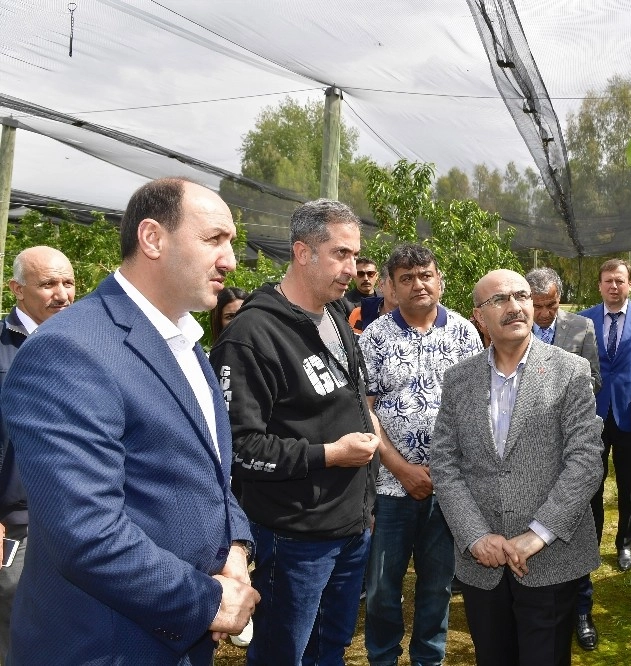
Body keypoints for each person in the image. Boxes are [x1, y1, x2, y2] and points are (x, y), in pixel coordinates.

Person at [0, 177, 258, 665]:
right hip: (105, 644)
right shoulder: (69, 350)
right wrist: (208, 602)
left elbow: (210, 473)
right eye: (214, 240)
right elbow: (87, 533)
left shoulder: (185, 343)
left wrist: (236, 550)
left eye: (231, 243)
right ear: (153, 238)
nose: (230, 260)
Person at [209, 198, 381, 666]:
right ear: (303, 253)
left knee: (331, 646)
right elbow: (238, 448)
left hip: (349, 527)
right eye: (341, 254)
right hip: (295, 536)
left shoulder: (335, 316)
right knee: (282, 652)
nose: (353, 267)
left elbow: (351, 402)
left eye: (355, 255)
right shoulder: (252, 336)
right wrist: (328, 454)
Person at [430, 269, 604, 666]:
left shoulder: (570, 371)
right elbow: (444, 462)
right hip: (482, 562)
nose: (515, 307)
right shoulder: (459, 379)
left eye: (521, 296)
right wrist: (475, 536)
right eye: (500, 300)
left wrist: (538, 534)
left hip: (550, 560)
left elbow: (584, 460)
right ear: (479, 315)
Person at [359, 243, 482, 666]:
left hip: (447, 486)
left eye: (425, 275)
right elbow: (366, 410)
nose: (418, 284)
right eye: (406, 278)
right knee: (381, 586)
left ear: (440, 279)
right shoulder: (375, 336)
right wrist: (402, 469)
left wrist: (442, 471)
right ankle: (382, 657)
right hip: (391, 486)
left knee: (437, 585)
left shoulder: (465, 333)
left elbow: (473, 408)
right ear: (391, 286)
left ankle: (430, 657)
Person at [0, 246, 75, 662]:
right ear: (17, 289)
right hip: (17, 526)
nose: (61, 294)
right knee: (14, 624)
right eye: (48, 284)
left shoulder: (88, 344)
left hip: (78, 517)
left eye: (68, 283)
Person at [524, 266, 603, 650]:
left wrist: (569, 382)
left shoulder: (581, 328)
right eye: (537, 305)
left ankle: (582, 609)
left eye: (551, 305)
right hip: (525, 449)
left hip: (569, 445)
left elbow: (596, 379)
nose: (543, 314)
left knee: (573, 525)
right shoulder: (512, 325)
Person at [579, 259, 631, 572]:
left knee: (630, 485)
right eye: (608, 281)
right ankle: (591, 543)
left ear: (629, 284)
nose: (614, 287)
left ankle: (625, 545)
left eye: (620, 281)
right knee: (591, 482)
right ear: (599, 285)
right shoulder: (583, 319)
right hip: (592, 411)